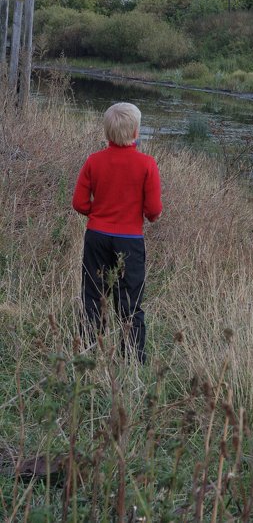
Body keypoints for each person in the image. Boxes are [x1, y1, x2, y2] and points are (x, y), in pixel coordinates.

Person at [72, 102, 162, 363]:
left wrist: (98, 214)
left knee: (93, 295)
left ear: (106, 132)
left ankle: (89, 351)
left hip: (96, 237)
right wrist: (148, 216)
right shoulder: (147, 164)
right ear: (137, 132)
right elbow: (154, 210)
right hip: (130, 240)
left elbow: (79, 203)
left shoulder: (94, 161)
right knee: (130, 300)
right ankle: (133, 359)